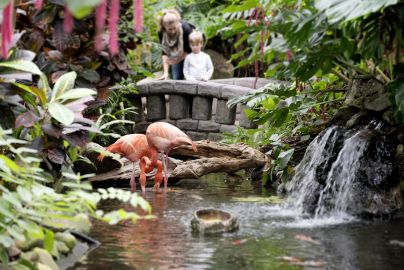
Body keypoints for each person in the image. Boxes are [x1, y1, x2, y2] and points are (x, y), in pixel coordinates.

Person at [157, 9, 195, 80]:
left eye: (174, 28)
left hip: (192, 53)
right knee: (176, 78)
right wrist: (166, 73)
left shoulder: (186, 29)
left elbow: (190, 50)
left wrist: (177, 61)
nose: (173, 31)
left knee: (193, 79)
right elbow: (164, 52)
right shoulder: (161, 32)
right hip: (176, 54)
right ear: (164, 27)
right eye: (169, 29)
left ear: (178, 23)